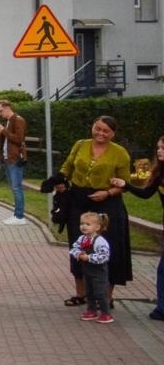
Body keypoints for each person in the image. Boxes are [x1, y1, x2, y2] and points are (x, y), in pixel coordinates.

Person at [48, 115, 131, 308]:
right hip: (79, 200)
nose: (100, 133)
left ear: (113, 134)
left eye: (105, 131)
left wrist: (108, 192)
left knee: (107, 247)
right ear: (92, 127)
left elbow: (125, 184)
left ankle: (106, 297)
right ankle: (81, 293)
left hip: (106, 204)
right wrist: (60, 182)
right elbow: (67, 167)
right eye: (97, 128)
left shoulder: (120, 153)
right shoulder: (80, 145)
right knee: (79, 244)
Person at [113, 135, 164, 321]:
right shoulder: (159, 172)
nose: (159, 151)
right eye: (158, 148)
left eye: (163, 148)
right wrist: (126, 185)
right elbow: (145, 194)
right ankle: (161, 309)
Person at [69, 212, 114, 324]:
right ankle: (91, 310)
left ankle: (106, 313)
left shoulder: (100, 241)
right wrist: (78, 254)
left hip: (98, 272)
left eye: (87, 224)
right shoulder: (82, 238)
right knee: (89, 291)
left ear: (97, 227)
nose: (83, 226)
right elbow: (74, 248)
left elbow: (104, 256)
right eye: (82, 223)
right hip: (87, 271)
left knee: (100, 292)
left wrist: (89, 258)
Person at [0, 99, 29, 224]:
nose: (0, 113)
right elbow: (7, 140)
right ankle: (17, 215)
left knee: (17, 187)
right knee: (14, 187)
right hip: (8, 158)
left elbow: (19, 139)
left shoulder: (18, 120)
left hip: (15, 158)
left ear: (7, 107)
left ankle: (19, 216)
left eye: (1, 110)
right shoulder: (8, 121)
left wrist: (3, 131)